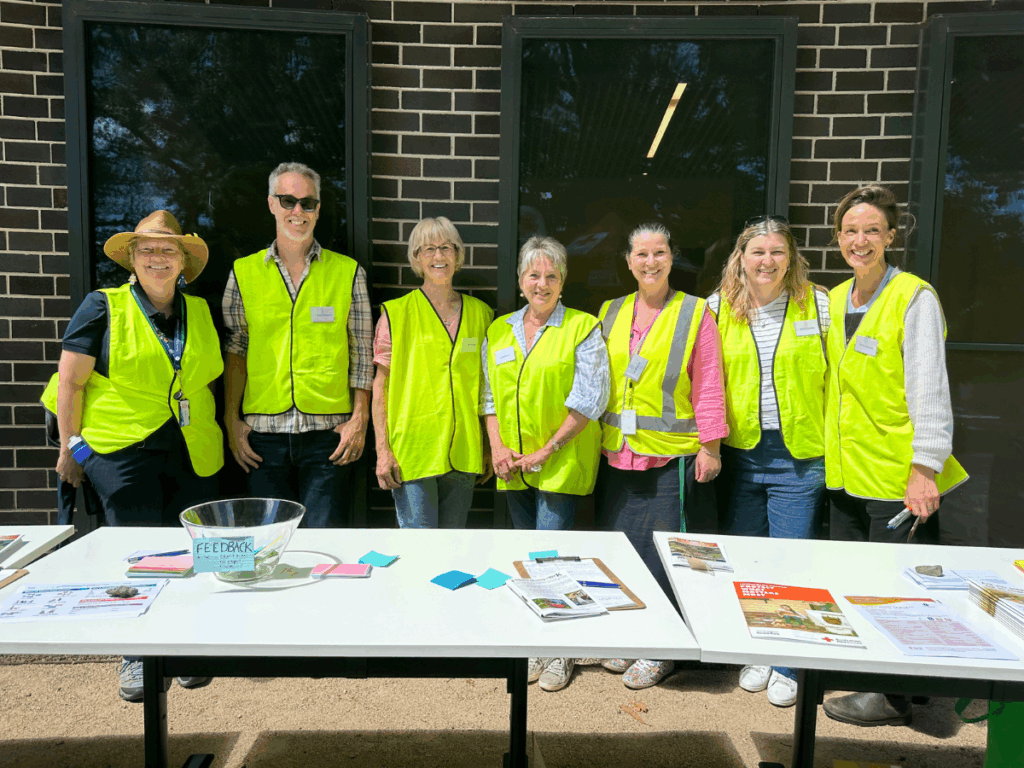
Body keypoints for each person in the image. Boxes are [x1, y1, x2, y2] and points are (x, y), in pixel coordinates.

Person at [42, 210, 222, 702]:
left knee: (190, 548)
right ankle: (136, 654)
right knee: (135, 551)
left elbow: (204, 377)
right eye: (147, 251)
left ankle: (183, 645)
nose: (158, 259)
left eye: (168, 251)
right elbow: (71, 382)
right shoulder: (103, 305)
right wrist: (70, 447)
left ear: (183, 262)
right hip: (121, 446)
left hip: (189, 445)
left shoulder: (200, 311)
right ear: (132, 260)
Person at [821, 184, 968, 727]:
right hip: (847, 470)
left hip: (897, 474)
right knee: (862, 582)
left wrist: (924, 469)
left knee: (897, 589)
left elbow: (930, 388)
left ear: (890, 237)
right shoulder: (835, 300)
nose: (861, 241)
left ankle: (893, 695)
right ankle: (882, 679)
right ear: (839, 238)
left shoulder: (914, 297)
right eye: (851, 231)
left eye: (872, 231)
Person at [595, 222, 727, 690]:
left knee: (670, 555)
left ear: (672, 258)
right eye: (641, 254)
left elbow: (709, 381)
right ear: (628, 262)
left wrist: (710, 446)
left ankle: (663, 648)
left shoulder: (695, 313)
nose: (650, 262)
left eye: (660, 253)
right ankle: (633, 635)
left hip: (673, 457)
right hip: (617, 454)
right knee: (625, 551)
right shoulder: (609, 312)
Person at [709, 216, 830, 708]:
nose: (767, 261)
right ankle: (761, 649)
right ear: (740, 257)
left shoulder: (818, 305)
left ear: (792, 257)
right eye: (757, 251)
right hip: (742, 453)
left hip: (798, 455)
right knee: (751, 561)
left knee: (791, 559)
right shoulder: (719, 308)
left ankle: (789, 662)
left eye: (777, 251)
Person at [482, 236, 610, 693]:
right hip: (512, 464)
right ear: (520, 282)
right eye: (533, 275)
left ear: (562, 282)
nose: (542, 283)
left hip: (559, 461)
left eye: (551, 275)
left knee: (550, 559)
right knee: (526, 558)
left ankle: (560, 652)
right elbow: (489, 398)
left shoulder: (582, 327)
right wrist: (498, 449)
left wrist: (546, 449)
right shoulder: (499, 330)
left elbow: (590, 399)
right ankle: (539, 638)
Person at [222, 162, 372, 528]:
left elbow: (363, 353)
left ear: (318, 209)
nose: (297, 212)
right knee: (267, 545)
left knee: (324, 548)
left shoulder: (348, 272)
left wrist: (359, 419)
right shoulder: (243, 271)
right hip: (263, 437)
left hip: (329, 436)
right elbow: (236, 350)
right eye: (288, 201)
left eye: (308, 203)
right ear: (272, 204)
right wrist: (231, 419)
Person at [372, 217, 494, 526]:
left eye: (446, 248)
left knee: (453, 550)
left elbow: (488, 388)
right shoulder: (396, 314)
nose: (438, 257)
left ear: (458, 255)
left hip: (465, 450)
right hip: (413, 451)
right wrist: (382, 451)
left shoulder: (481, 314)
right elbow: (380, 388)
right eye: (428, 249)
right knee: (420, 549)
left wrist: (490, 446)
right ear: (416, 258)